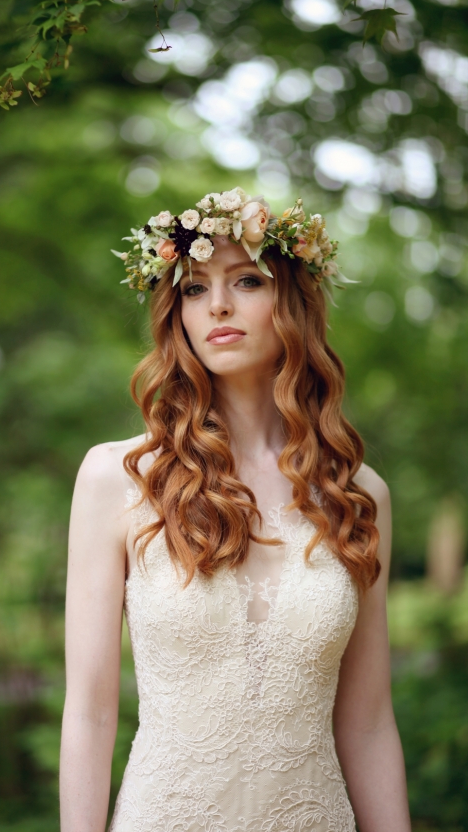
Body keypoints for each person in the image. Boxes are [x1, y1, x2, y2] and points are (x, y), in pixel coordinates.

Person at [60, 188, 412, 832]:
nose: (218, 303)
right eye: (194, 288)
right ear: (177, 314)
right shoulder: (118, 479)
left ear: (294, 303)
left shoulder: (358, 494)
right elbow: (89, 712)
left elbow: (367, 724)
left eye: (247, 279)